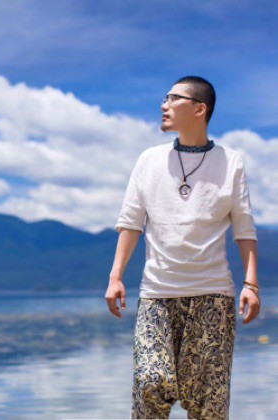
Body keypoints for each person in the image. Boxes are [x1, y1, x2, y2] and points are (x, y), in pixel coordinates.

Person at [105, 76, 260, 419]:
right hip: (157, 294)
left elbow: (244, 229)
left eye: (174, 98)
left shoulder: (230, 162)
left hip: (212, 296)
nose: (164, 105)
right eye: (166, 98)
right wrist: (116, 277)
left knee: (208, 404)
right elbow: (131, 223)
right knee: (150, 384)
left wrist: (251, 284)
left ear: (199, 109)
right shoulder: (149, 159)